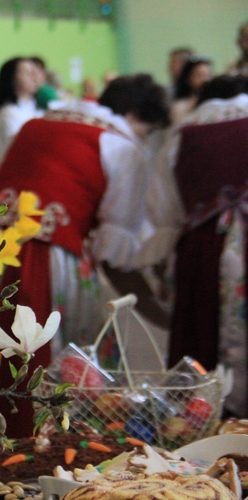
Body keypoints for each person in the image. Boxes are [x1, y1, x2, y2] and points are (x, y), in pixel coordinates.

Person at [0, 74, 170, 437]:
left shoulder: (34, 125)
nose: (144, 141)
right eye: (148, 132)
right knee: (56, 360)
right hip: (48, 260)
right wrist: (159, 312)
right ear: (134, 116)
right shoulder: (119, 146)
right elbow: (115, 249)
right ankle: (52, 450)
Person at [149, 74, 248, 417]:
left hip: (206, 247)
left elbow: (166, 209)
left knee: (202, 337)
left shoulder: (183, 132)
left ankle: (207, 427)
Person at [0, 57, 42, 164]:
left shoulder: (35, 107)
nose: (34, 78)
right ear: (13, 79)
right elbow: (20, 151)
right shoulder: (9, 113)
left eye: (34, 72)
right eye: (27, 73)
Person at [170, 57, 213, 125]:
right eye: (199, 75)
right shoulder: (180, 107)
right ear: (188, 79)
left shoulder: (216, 103)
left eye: (207, 75)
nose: (205, 80)